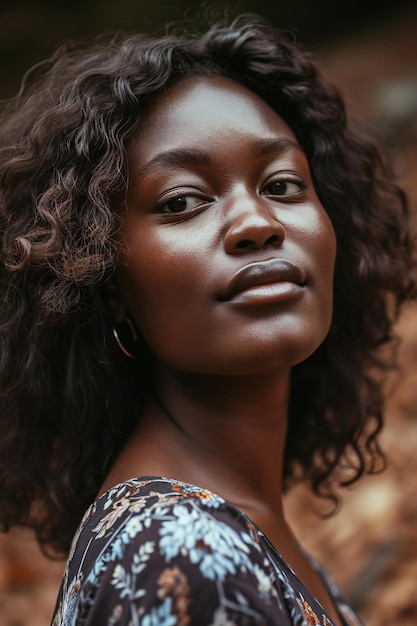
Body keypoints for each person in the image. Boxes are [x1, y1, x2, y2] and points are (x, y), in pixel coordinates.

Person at [0, 14, 414, 626]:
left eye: (283, 183)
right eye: (182, 200)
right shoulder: (172, 553)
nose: (257, 222)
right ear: (104, 282)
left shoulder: (223, 524)